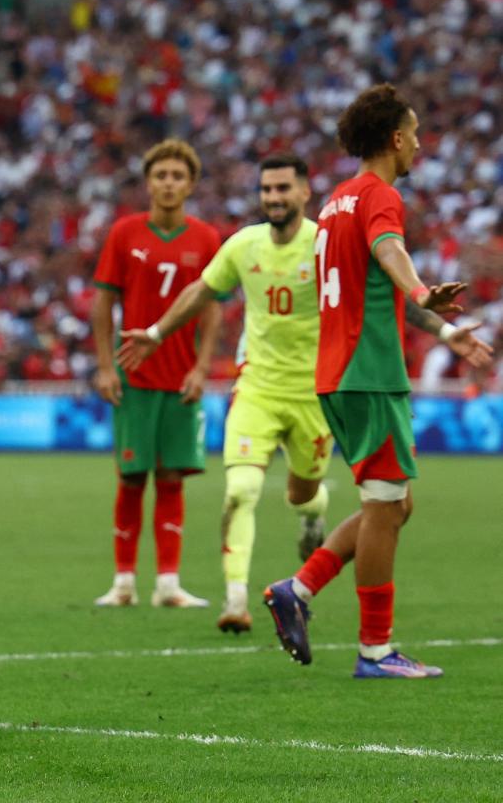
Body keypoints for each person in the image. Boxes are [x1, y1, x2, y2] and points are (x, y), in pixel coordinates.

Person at [121, 153, 492, 632]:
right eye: (266, 190)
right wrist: (155, 332)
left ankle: (313, 514)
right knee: (241, 489)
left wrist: (442, 332)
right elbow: (201, 290)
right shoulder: (243, 245)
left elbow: (387, 295)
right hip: (255, 387)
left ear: (303, 193)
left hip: (314, 394)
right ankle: (236, 600)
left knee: (303, 492)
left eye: (282, 189)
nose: (273, 198)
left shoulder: (325, 243)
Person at [263, 84, 491, 679]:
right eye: (414, 134)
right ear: (394, 139)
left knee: (393, 505)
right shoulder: (380, 196)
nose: (419, 144)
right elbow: (390, 254)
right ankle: (375, 651)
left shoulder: (337, 202)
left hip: (338, 373)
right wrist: (421, 288)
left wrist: (443, 332)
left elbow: (372, 284)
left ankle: (299, 587)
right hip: (369, 374)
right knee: (386, 506)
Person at [90, 140, 222, 609]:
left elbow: (211, 311)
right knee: (130, 478)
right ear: (149, 183)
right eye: (161, 175)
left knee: (171, 479)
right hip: (134, 376)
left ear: (190, 184)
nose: (168, 183)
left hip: (180, 377)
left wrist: (203, 368)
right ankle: (124, 582)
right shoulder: (125, 233)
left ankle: (169, 584)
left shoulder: (206, 238)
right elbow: (103, 302)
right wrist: (106, 366)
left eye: (177, 176)